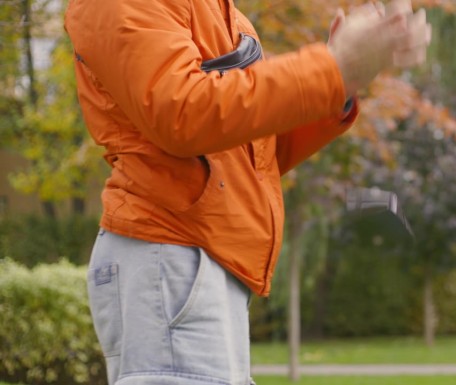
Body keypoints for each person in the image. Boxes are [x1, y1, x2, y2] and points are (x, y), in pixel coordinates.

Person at [64, 0, 430, 384]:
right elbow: (183, 114)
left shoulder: (222, 12)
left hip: (197, 262)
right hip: (172, 256)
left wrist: (342, 80)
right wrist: (332, 68)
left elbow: (254, 154)